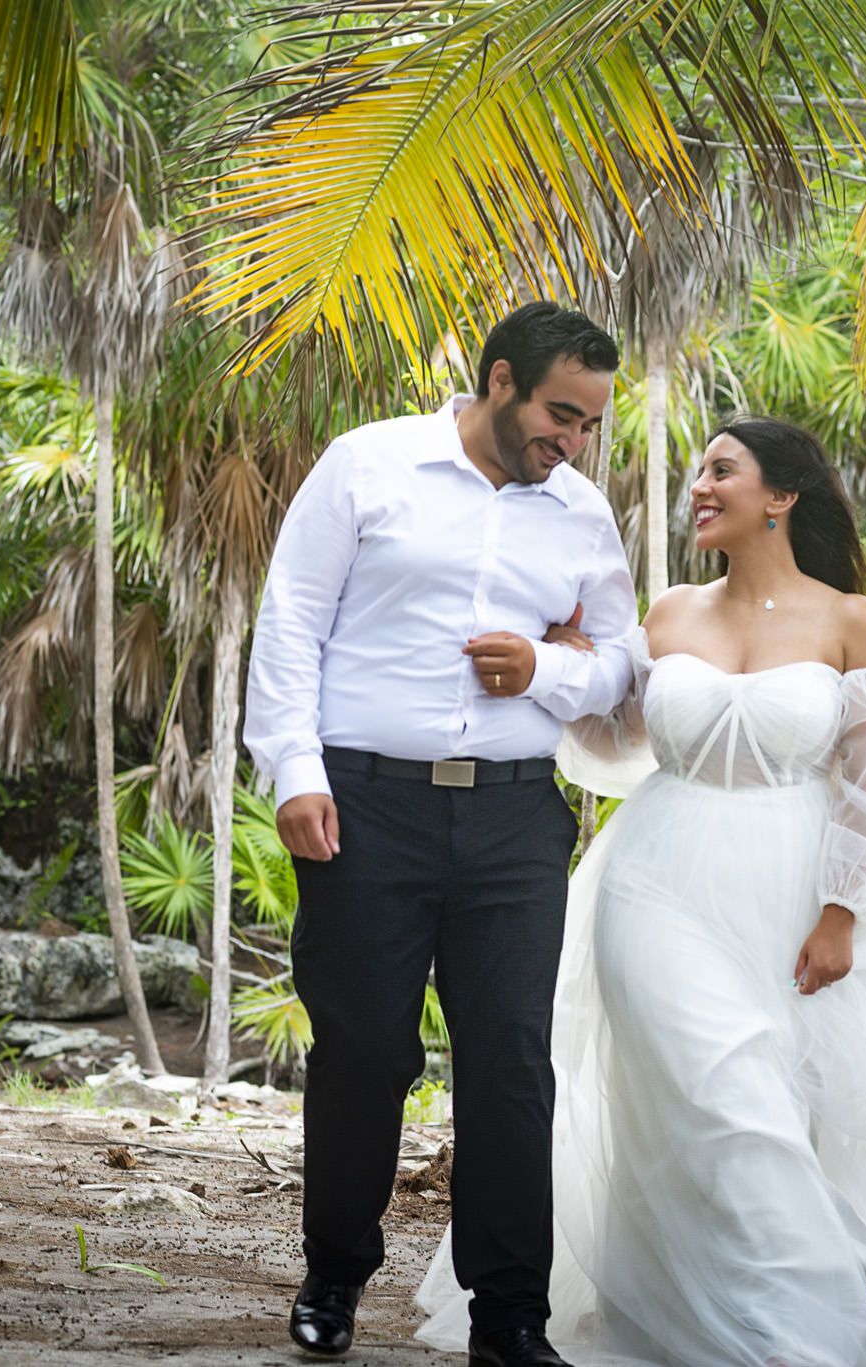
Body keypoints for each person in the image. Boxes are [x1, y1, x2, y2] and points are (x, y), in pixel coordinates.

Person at [416, 417, 866, 1367]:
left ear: (781, 497)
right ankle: (761, 1326)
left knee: (758, 1110)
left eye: (722, 471)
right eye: (698, 470)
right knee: (712, 1090)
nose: (699, 485)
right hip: (657, 879)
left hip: (786, 887)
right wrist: (562, 666)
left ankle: (739, 1322)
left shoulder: (846, 618)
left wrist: (844, 911)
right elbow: (621, 745)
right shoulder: (668, 613)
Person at [245, 303, 640, 1367]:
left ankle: (509, 1316)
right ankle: (333, 1272)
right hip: (364, 808)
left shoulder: (580, 512)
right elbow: (289, 621)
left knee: (511, 1063)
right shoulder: (367, 465)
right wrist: (292, 769)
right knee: (365, 1052)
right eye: (561, 413)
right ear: (500, 380)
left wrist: (545, 670)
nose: (572, 440)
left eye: (590, 423)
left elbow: (620, 658)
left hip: (515, 815)